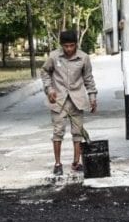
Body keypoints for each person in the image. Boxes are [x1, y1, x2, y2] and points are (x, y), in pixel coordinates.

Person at [40, 30, 98, 175]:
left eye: (72, 46)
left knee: (77, 132)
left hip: (77, 101)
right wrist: (49, 89)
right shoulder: (54, 56)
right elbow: (45, 72)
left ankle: (76, 162)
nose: (69, 49)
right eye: (66, 46)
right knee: (58, 132)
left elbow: (88, 79)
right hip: (58, 101)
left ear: (76, 44)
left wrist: (92, 98)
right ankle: (58, 163)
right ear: (61, 45)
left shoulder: (84, 58)